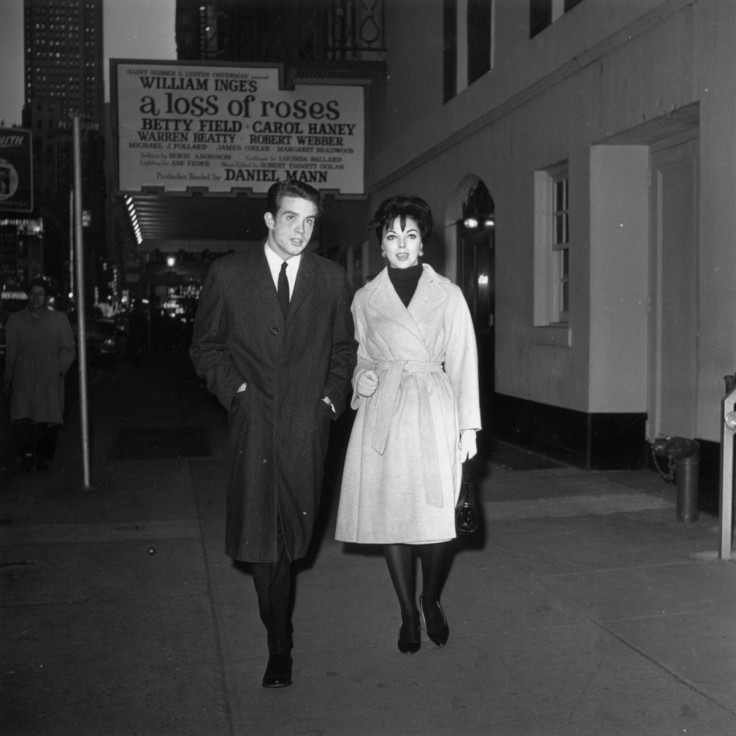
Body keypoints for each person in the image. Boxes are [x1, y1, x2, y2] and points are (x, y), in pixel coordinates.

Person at [189, 179, 356, 688]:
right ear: (269, 219)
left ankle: (279, 635)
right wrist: (237, 393)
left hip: (307, 428)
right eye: (291, 219)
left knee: (290, 541)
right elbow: (206, 347)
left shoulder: (330, 279)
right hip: (254, 428)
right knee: (264, 544)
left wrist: (328, 401)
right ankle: (278, 643)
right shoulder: (229, 274)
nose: (301, 231)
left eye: (310, 222)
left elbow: (344, 351)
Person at [335, 194, 481, 654]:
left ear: (423, 244)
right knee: (393, 516)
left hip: (434, 407)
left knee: (435, 517)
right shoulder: (365, 298)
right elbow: (358, 354)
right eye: (392, 235)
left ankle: (431, 598)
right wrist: (364, 377)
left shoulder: (449, 295)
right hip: (386, 412)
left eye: (411, 235)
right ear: (380, 244)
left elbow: (462, 361)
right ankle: (407, 613)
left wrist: (468, 429)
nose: (401, 244)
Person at [2, 278, 76, 472]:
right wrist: (8, 378)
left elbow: (68, 349)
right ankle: (27, 456)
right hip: (23, 378)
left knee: (46, 421)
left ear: (46, 297)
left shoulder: (58, 319)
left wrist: (58, 369)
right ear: (28, 295)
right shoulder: (16, 320)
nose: (36, 298)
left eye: (40, 294)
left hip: (48, 380)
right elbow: (11, 352)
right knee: (23, 420)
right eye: (33, 294)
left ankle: (42, 458)